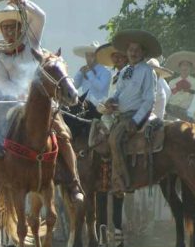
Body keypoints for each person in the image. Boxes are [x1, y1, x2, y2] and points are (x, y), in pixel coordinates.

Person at [0, 0, 84, 203]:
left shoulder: (32, 40)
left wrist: (23, 2)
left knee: (63, 133)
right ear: (1, 31)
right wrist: (21, 93)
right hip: (13, 101)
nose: (9, 31)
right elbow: (2, 82)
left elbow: (40, 17)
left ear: (20, 27)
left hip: (43, 100)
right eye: (5, 28)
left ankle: (73, 181)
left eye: (13, 27)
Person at [98, 30, 160, 194]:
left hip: (135, 115)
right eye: (131, 49)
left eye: (137, 50)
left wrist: (137, 119)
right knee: (99, 133)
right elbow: (119, 92)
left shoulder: (148, 71)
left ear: (143, 53)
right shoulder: (125, 71)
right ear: (127, 51)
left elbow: (149, 100)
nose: (133, 53)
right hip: (120, 114)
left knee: (115, 139)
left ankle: (122, 182)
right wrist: (112, 100)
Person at [72, 41, 111, 106]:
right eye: (87, 56)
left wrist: (90, 74)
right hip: (84, 106)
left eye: (92, 56)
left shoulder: (106, 72)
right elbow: (75, 86)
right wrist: (79, 73)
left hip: (98, 107)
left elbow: (101, 87)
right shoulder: (84, 69)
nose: (89, 59)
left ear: (98, 57)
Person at [165, 51, 195, 121]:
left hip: (187, 113)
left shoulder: (194, 82)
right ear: (179, 67)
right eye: (183, 65)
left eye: (187, 65)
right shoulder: (172, 82)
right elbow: (167, 96)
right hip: (171, 110)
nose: (185, 67)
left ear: (191, 68)